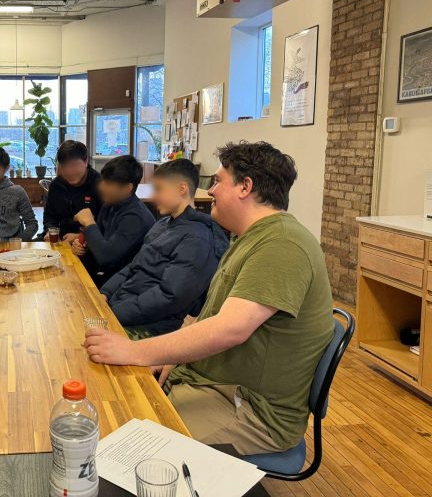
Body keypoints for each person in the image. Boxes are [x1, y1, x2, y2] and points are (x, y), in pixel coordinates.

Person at [84, 141, 333, 456]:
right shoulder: (248, 238)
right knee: (109, 407)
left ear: (245, 187)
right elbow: (212, 317)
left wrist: (135, 350)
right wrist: (170, 355)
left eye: (218, 181)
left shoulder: (281, 245)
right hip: (211, 384)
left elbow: (230, 329)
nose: (211, 191)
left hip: (250, 410)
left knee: (122, 446)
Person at [100, 159, 228, 339]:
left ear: (181, 189)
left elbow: (170, 296)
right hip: (123, 308)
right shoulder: (162, 224)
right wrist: (105, 293)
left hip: (151, 328)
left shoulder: (197, 239)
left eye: (159, 189)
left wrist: (114, 313)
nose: (153, 197)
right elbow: (134, 265)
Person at [70, 155, 155, 287]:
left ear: (128, 188)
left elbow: (106, 257)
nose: (101, 187)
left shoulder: (135, 217)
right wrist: (82, 245)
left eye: (108, 183)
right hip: (103, 275)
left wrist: (89, 223)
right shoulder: (111, 204)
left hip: (124, 283)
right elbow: (100, 241)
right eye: (103, 181)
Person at [43, 140, 102, 243]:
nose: (69, 171)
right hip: (60, 240)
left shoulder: (100, 185)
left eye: (74, 165)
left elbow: (107, 225)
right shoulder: (56, 185)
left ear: (86, 161)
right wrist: (50, 232)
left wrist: (80, 236)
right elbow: (50, 218)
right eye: (64, 166)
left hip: (90, 244)